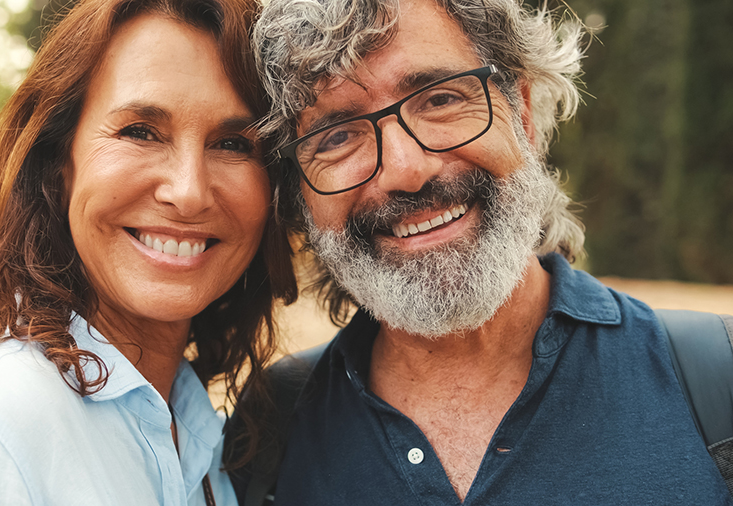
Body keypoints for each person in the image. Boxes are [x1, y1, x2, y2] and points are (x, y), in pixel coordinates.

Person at [231, 0, 733, 503]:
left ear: (522, 114)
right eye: (337, 135)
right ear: (298, 196)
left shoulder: (717, 381)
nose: (408, 170)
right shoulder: (270, 431)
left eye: (439, 99)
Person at [0, 0, 296, 504]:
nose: (188, 192)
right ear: (58, 165)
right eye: (140, 132)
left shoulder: (197, 432)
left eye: (234, 144)